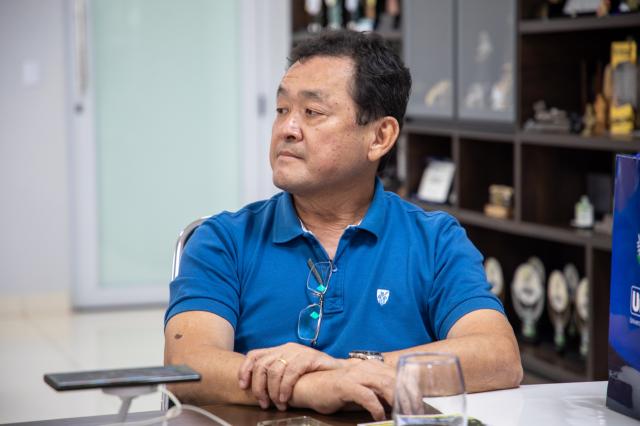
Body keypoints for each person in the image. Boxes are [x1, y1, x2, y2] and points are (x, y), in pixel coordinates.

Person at [164, 30, 522, 421]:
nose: (287, 129)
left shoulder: (434, 239)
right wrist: (310, 387)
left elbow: (498, 356)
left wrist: (351, 369)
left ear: (380, 137)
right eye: (282, 109)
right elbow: (186, 365)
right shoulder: (224, 240)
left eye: (312, 112)